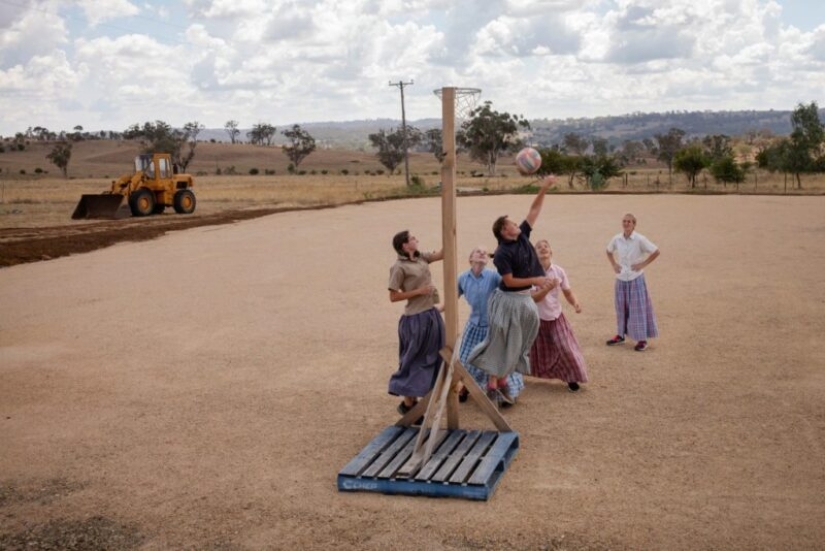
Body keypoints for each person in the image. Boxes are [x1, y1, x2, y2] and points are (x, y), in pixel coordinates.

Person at [466, 175, 557, 407]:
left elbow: (534, 210)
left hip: (523, 300)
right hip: (507, 300)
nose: (517, 224)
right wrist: (536, 278)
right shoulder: (503, 253)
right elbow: (509, 281)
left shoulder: (523, 236)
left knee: (520, 340)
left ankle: (503, 379)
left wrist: (544, 188)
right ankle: (493, 385)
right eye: (512, 224)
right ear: (505, 231)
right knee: (500, 342)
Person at [457, 246, 524, 406]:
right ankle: (466, 386)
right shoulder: (462, 278)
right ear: (470, 259)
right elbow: (452, 298)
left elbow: (509, 282)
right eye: (477, 251)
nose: (481, 252)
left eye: (483, 252)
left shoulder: (494, 276)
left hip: (494, 327)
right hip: (473, 326)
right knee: (467, 360)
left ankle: (506, 395)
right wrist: (436, 309)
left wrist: (502, 259)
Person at [388, 231, 445, 418]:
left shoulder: (422, 257)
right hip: (415, 319)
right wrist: (419, 291)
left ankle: (411, 403)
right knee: (414, 360)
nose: (417, 240)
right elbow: (393, 296)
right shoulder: (398, 267)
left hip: (430, 314)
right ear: (405, 245)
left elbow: (442, 254)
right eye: (413, 238)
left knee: (433, 356)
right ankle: (407, 402)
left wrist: (449, 231)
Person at [529, 239, 589, 391]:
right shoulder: (530, 273)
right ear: (535, 254)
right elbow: (533, 298)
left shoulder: (559, 271)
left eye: (546, 246)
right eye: (539, 247)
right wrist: (547, 289)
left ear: (551, 252)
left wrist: (575, 303)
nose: (543, 249)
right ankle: (511, 377)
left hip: (556, 317)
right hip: (536, 319)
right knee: (533, 352)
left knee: (566, 348)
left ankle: (572, 378)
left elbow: (568, 292)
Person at [605, 213, 661, 351]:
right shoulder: (617, 238)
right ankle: (620, 335)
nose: (626, 224)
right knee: (621, 308)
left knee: (638, 308)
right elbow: (608, 251)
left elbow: (656, 251)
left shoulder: (640, 239)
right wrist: (614, 264)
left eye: (629, 222)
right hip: (621, 278)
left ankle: (642, 340)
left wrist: (643, 264)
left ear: (634, 224)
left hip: (636, 278)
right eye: (624, 221)